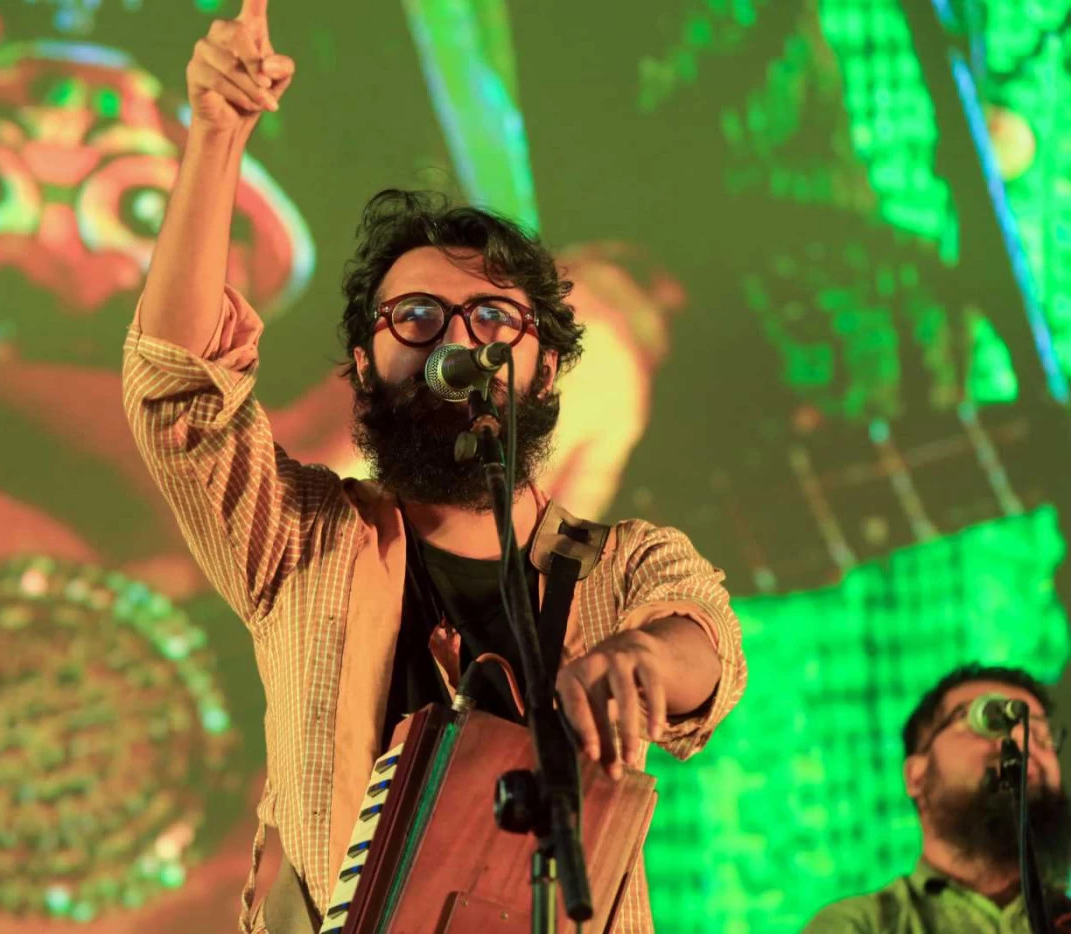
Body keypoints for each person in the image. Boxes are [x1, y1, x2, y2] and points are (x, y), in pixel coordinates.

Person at [121, 1, 748, 930]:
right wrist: (215, 136)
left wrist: (645, 657)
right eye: (416, 318)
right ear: (363, 364)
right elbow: (180, 392)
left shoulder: (619, 562)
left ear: (547, 367)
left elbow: (708, 646)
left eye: (493, 320)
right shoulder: (302, 542)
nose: (458, 344)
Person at [804, 663, 1071, 933]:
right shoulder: (857, 925)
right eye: (988, 720)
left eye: (1040, 734)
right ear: (916, 776)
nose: (1022, 742)